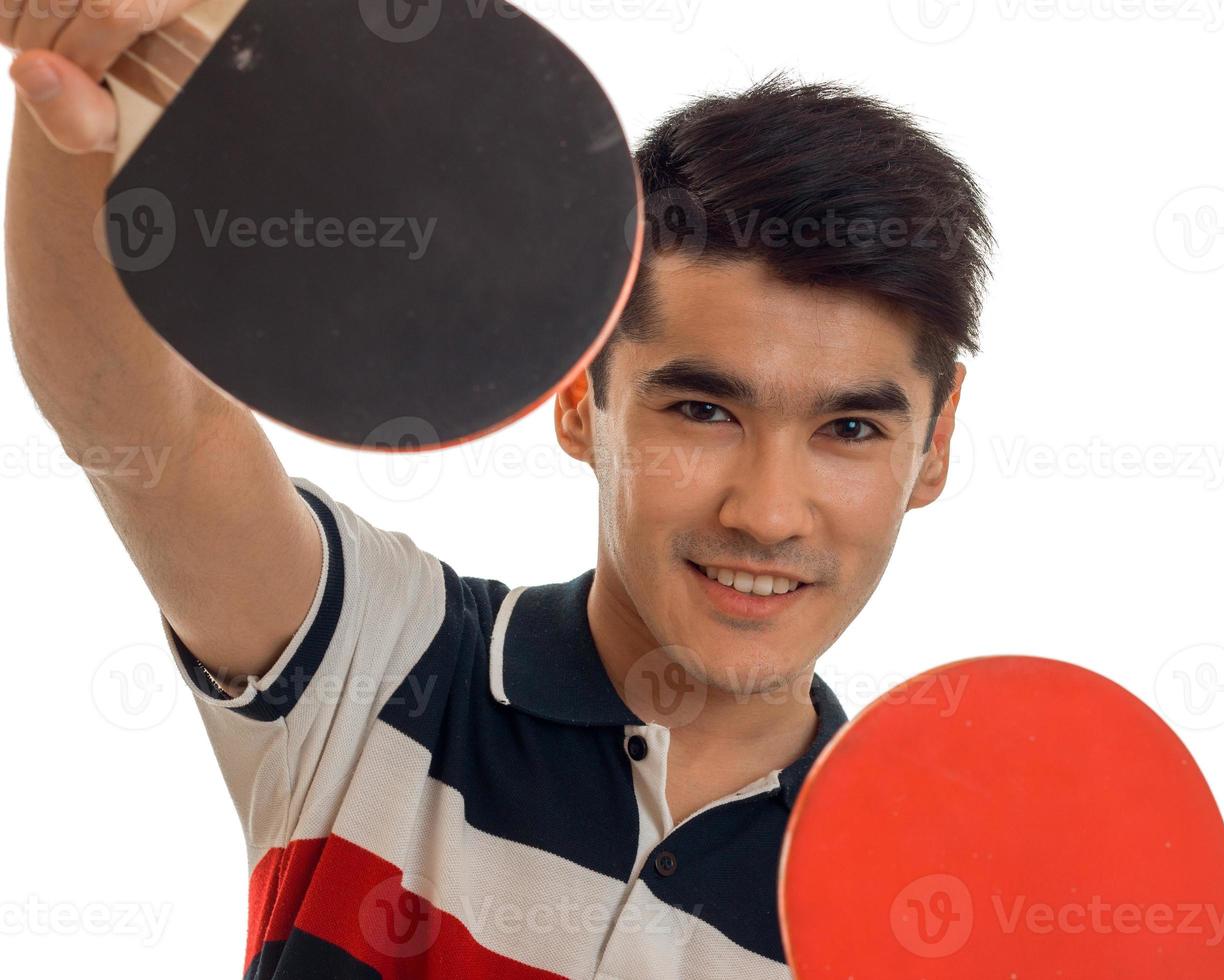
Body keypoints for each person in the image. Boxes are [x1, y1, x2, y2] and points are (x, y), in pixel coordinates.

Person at [5, 7, 993, 976]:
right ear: (579, 401)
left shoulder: (900, 923)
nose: (767, 513)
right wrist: (80, 101)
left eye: (851, 429)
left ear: (935, 445)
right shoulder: (381, 657)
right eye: (701, 410)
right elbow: (145, 426)